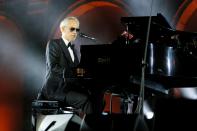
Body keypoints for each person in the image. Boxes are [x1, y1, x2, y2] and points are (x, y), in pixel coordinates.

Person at [41, 16, 93, 115]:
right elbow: (54, 68)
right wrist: (74, 72)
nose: (75, 32)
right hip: (56, 90)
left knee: (96, 99)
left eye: (77, 29)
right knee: (86, 100)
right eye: (72, 29)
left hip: (69, 88)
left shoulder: (73, 49)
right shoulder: (53, 44)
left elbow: (78, 72)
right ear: (62, 29)